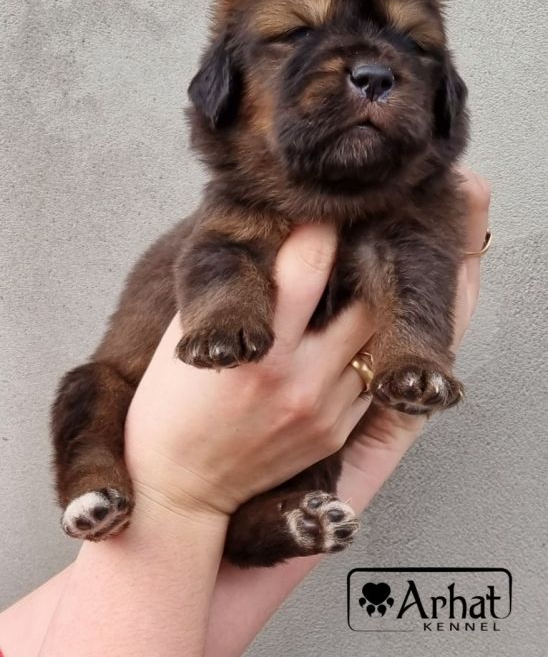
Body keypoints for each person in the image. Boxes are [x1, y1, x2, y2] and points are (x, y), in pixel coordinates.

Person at [0, 168, 491, 657]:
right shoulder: (246, 204)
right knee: (88, 390)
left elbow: (135, 617)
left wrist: (392, 421)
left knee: (298, 489)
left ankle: (269, 521)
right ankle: (93, 482)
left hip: (258, 483)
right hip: (132, 396)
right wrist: (181, 494)